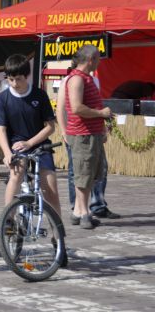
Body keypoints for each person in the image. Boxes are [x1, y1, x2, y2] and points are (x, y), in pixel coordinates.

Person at [0, 54, 61, 217]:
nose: (14, 83)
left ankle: (57, 228)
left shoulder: (40, 95)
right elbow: (0, 129)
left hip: (39, 144)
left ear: (27, 76)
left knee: (50, 185)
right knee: (15, 176)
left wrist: (30, 143)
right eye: (10, 79)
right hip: (16, 144)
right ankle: (8, 221)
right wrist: (7, 153)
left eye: (18, 79)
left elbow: (50, 127)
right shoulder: (3, 98)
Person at [56, 68, 120, 220]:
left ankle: (97, 205)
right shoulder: (70, 80)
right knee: (77, 171)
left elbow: (96, 107)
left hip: (93, 132)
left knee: (99, 169)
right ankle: (77, 208)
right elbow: (61, 108)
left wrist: (102, 128)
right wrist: (64, 131)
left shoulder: (93, 80)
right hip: (77, 133)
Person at [64, 45, 112, 230]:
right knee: (83, 175)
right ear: (91, 59)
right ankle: (84, 213)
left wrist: (101, 127)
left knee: (91, 175)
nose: (100, 62)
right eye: (98, 58)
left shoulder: (86, 78)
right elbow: (76, 108)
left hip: (91, 134)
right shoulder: (76, 79)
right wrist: (101, 113)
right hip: (82, 135)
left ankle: (78, 212)